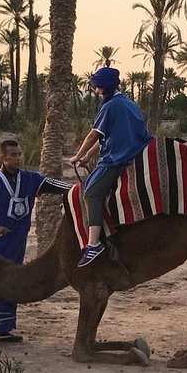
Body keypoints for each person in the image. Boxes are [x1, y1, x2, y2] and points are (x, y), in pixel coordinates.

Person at [0, 139, 72, 341]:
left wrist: (76, 189)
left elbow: (51, 184)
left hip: (16, 243)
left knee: (11, 281)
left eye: (19, 154)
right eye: (13, 155)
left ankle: (2, 328)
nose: (18, 158)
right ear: (3, 157)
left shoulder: (28, 178)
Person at [69, 67, 152, 267]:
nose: (95, 89)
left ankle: (93, 244)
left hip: (117, 158)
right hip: (134, 151)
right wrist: (88, 157)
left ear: (103, 86)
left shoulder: (110, 106)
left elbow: (94, 135)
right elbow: (108, 134)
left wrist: (77, 156)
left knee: (91, 194)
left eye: (97, 85)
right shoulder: (128, 103)